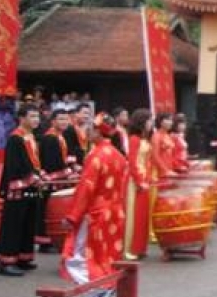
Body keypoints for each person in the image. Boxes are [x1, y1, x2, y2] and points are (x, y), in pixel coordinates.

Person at [60, 112, 128, 288]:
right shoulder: (118, 155)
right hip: (115, 211)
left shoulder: (96, 155)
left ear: (99, 132)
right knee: (108, 254)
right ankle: (109, 287)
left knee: (81, 256)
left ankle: (94, 290)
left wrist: (73, 216)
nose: (88, 132)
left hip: (95, 213)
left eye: (91, 129)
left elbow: (86, 188)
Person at [0, 105, 42, 277]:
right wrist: (32, 178)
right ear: (22, 118)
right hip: (18, 188)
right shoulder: (15, 138)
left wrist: (38, 174)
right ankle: (5, 262)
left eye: (38, 116)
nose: (37, 119)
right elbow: (13, 167)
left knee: (28, 222)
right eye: (33, 116)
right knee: (13, 224)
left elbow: (34, 162)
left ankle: (23, 257)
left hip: (31, 187)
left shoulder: (31, 136)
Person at [37, 109, 76, 254]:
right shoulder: (50, 138)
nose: (64, 122)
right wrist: (67, 172)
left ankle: (50, 240)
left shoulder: (60, 136)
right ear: (53, 121)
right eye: (61, 119)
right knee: (47, 210)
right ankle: (44, 242)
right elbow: (51, 162)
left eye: (66, 119)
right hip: (51, 178)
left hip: (58, 178)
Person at [124, 109, 152, 261]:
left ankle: (140, 247)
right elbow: (132, 162)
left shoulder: (144, 138)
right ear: (142, 122)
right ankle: (130, 248)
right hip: (136, 181)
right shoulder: (134, 139)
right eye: (149, 120)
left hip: (145, 177)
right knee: (134, 215)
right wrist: (139, 180)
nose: (151, 123)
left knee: (142, 215)